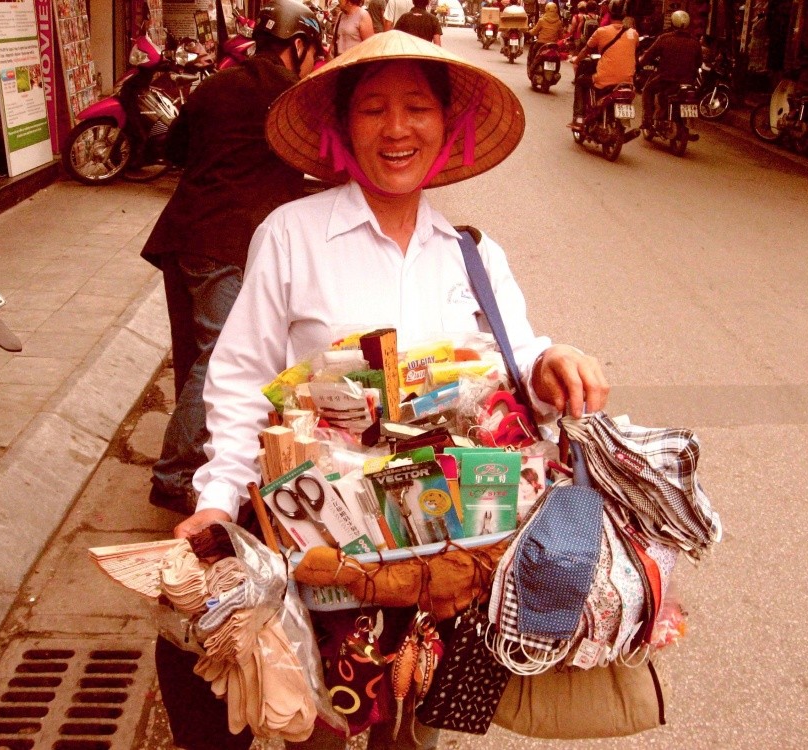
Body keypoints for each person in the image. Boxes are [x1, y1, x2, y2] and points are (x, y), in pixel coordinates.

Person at [161, 29, 610, 750]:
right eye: (372, 109)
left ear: (445, 124)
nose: (396, 129)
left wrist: (555, 357)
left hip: (443, 563)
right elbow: (241, 380)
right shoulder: (290, 235)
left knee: (413, 732)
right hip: (327, 556)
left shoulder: (472, 253)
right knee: (322, 727)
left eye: (416, 108)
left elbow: (517, 356)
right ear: (342, 126)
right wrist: (216, 503)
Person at [139, 0, 322, 516]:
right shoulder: (294, 101)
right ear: (300, 45)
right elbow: (324, 161)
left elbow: (172, 149)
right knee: (218, 357)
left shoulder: (215, 84)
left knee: (196, 356)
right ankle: (174, 475)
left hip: (182, 236)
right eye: (313, 52)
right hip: (228, 244)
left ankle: (194, 461)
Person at [570, 0, 637, 127]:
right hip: (627, 81)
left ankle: (578, 116)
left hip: (605, 79)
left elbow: (586, 49)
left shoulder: (601, 31)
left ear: (609, 13)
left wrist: (576, 60)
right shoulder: (633, 33)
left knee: (580, 81)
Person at [638, 9, 702, 130]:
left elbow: (647, 56)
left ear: (672, 23)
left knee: (647, 90)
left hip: (667, 79)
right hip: (688, 81)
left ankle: (647, 119)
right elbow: (699, 63)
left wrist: (639, 64)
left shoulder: (665, 39)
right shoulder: (695, 42)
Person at [527, 0, 563, 66]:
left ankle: (532, 66)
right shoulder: (559, 22)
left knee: (533, 53)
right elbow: (561, 36)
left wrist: (529, 31)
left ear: (546, 9)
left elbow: (534, 32)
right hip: (553, 45)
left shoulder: (542, 20)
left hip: (541, 43)